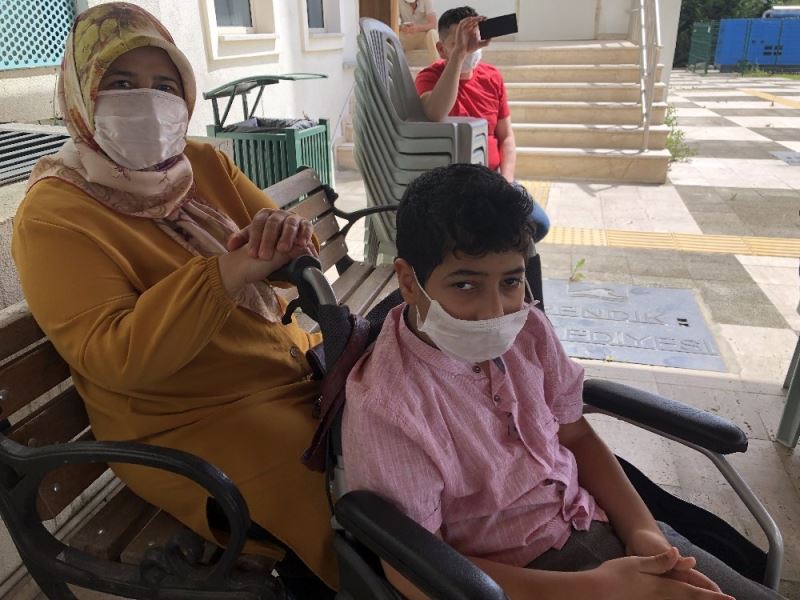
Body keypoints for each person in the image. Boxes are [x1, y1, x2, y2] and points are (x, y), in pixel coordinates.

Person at [342, 164, 787, 600]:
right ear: (408, 281)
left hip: (601, 523)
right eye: (465, 286)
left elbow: (576, 435)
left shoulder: (528, 332)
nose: (495, 311)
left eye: (511, 281)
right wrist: (598, 589)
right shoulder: (390, 408)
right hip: (520, 580)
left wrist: (643, 531)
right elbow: (414, 571)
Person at [12, 2, 336, 594]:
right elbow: (114, 353)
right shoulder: (54, 214)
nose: (147, 102)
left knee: (407, 430)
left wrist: (287, 237)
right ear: (81, 94)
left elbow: (291, 254)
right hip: (183, 423)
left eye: (164, 86)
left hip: (280, 369)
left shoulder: (202, 163)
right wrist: (226, 272)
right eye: (120, 83)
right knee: (349, 491)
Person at [415, 6, 549, 241]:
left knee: (537, 223)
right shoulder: (429, 77)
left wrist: (506, 182)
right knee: (488, 231)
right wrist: (458, 55)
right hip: (454, 183)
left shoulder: (492, 77)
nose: (468, 47)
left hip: (494, 178)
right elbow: (436, 112)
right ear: (441, 49)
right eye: (458, 41)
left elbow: (506, 137)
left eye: (472, 39)